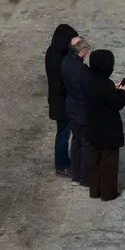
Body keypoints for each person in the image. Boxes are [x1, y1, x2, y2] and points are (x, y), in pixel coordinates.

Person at [84, 48, 125, 201]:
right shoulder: (106, 85)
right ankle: (108, 193)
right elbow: (117, 104)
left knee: (95, 161)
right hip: (108, 130)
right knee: (109, 164)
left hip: (93, 127)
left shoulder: (88, 80)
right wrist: (121, 92)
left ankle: (95, 191)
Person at [44, 24, 80, 177]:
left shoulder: (53, 52)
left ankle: (64, 162)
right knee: (63, 135)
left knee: (63, 134)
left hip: (59, 101)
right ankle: (61, 166)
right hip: (62, 103)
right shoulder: (59, 61)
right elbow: (61, 85)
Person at [60, 34, 92, 184]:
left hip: (71, 107)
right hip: (83, 110)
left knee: (76, 141)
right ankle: (84, 177)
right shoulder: (82, 69)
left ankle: (75, 175)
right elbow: (90, 88)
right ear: (82, 50)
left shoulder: (65, 62)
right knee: (86, 143)